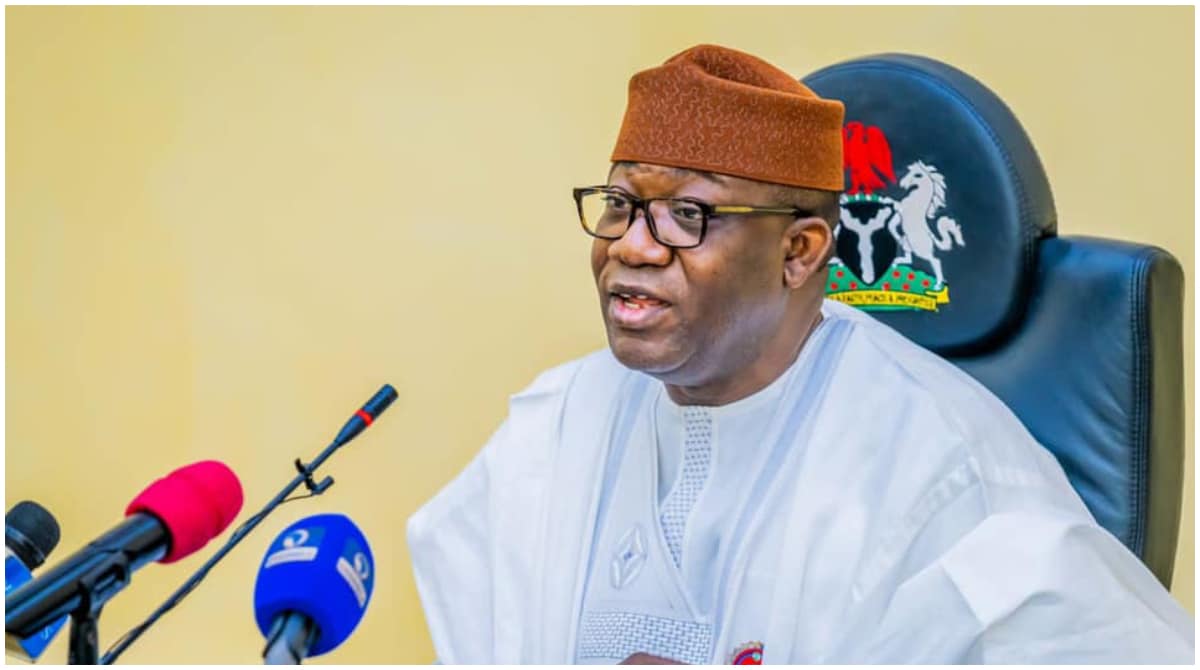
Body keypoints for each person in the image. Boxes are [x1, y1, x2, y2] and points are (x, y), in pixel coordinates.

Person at [406, 44, 1194, 664]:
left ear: (800, 252)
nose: (633, 246)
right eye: (620, 204)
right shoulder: (556, 424)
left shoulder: (946, 470)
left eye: (687, 214)